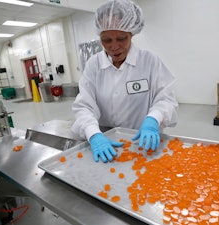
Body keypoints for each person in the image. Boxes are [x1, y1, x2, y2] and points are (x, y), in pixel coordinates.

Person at [71, 0, 178, 163]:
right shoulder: (94, 65)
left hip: (143, 142)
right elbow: (84, 105)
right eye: (107, 40)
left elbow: (165, 99)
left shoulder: (149, 61)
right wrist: (94, 134)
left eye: (121, 38)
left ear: (132, 34)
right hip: (107, 144)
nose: (114, 46)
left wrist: (153, 119)